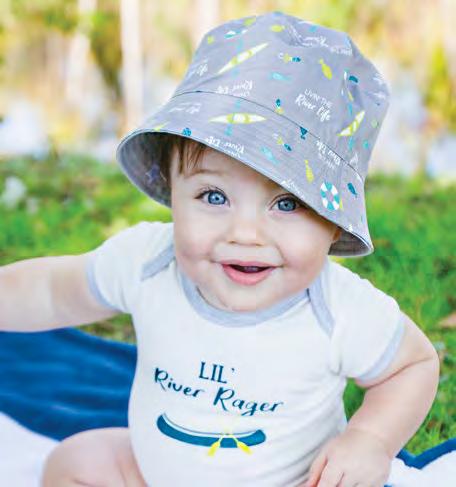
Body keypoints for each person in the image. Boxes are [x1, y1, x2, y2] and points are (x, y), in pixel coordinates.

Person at [0, 11, 439, 487]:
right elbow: (51, 290)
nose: (245, 233)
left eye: (286, 203)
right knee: (77, 461)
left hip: (290, 482)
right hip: (154, 474)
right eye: (213, 196)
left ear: (334, 223)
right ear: (173, 192)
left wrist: (370, 439)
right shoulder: (148, 262)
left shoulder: (338, 310)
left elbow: (412, 365)